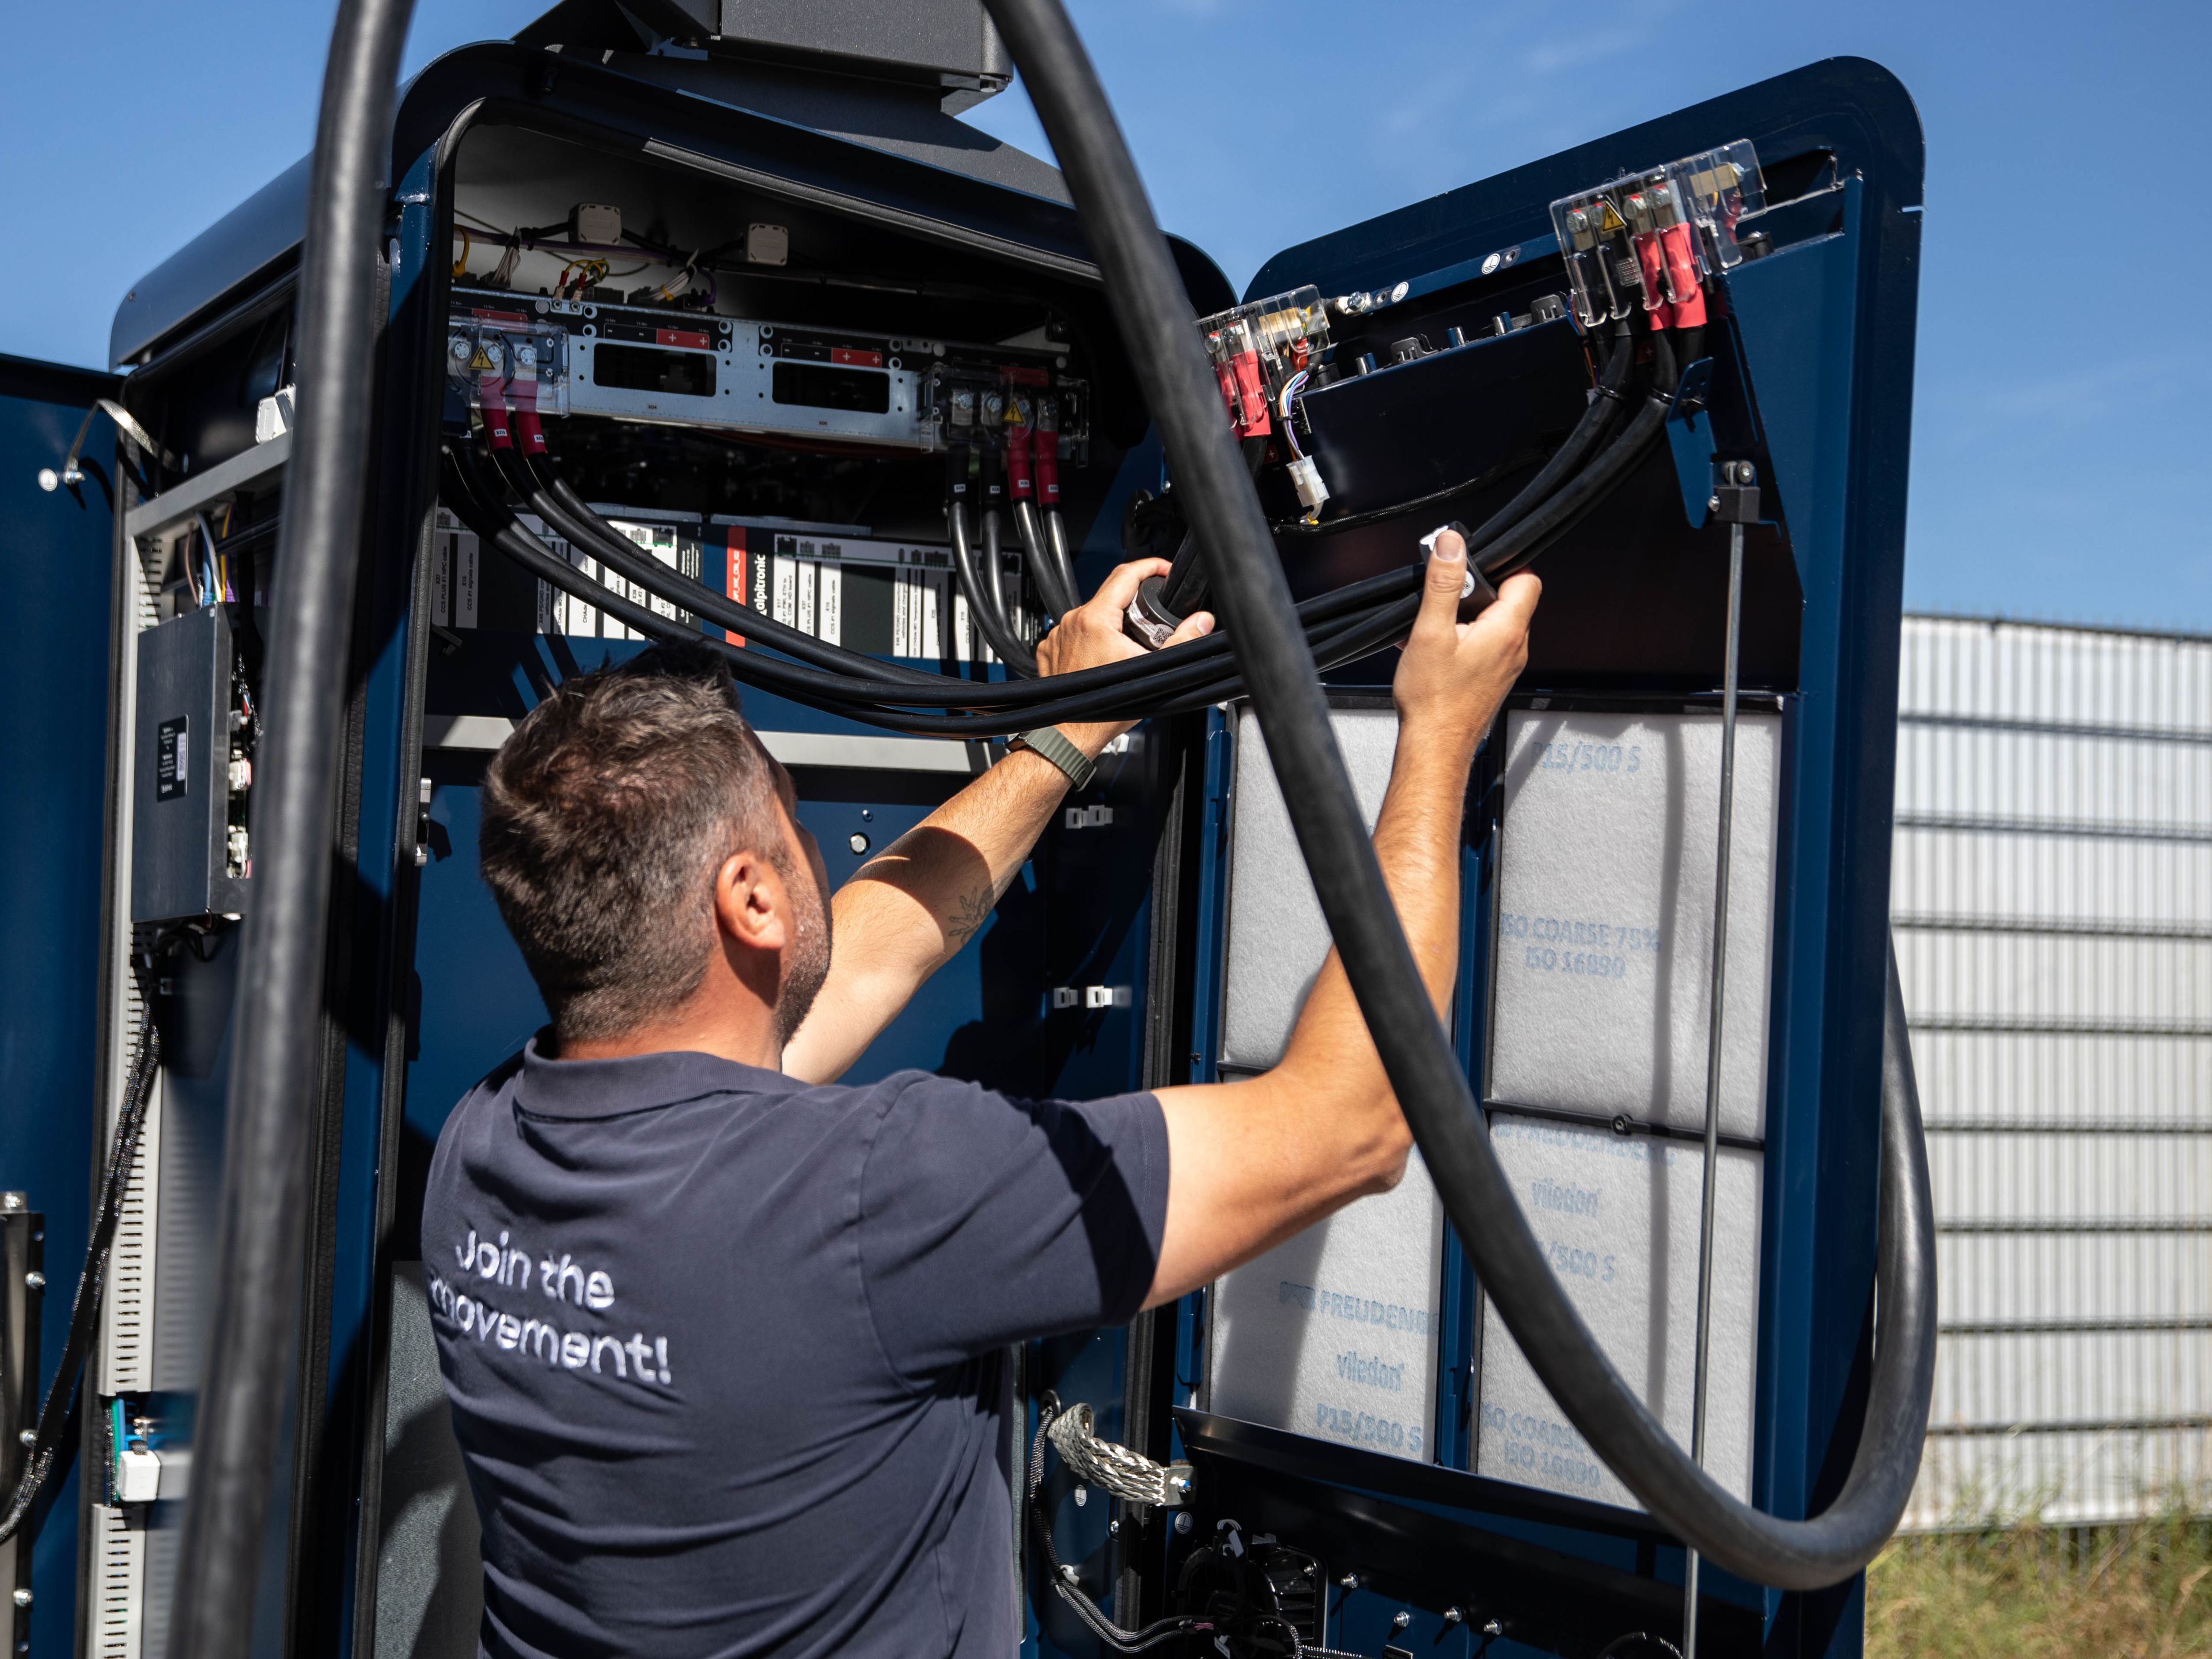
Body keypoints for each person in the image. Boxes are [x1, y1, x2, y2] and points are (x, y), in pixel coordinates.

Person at [423, 533, 1539, 1659]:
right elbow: (1350, 1128)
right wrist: (1437, 738)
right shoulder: (874, 1194)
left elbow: (866, 952)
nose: (817, 853)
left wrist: (1070, 730)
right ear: (750, 902)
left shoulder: (485, 1146)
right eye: (794, 826)